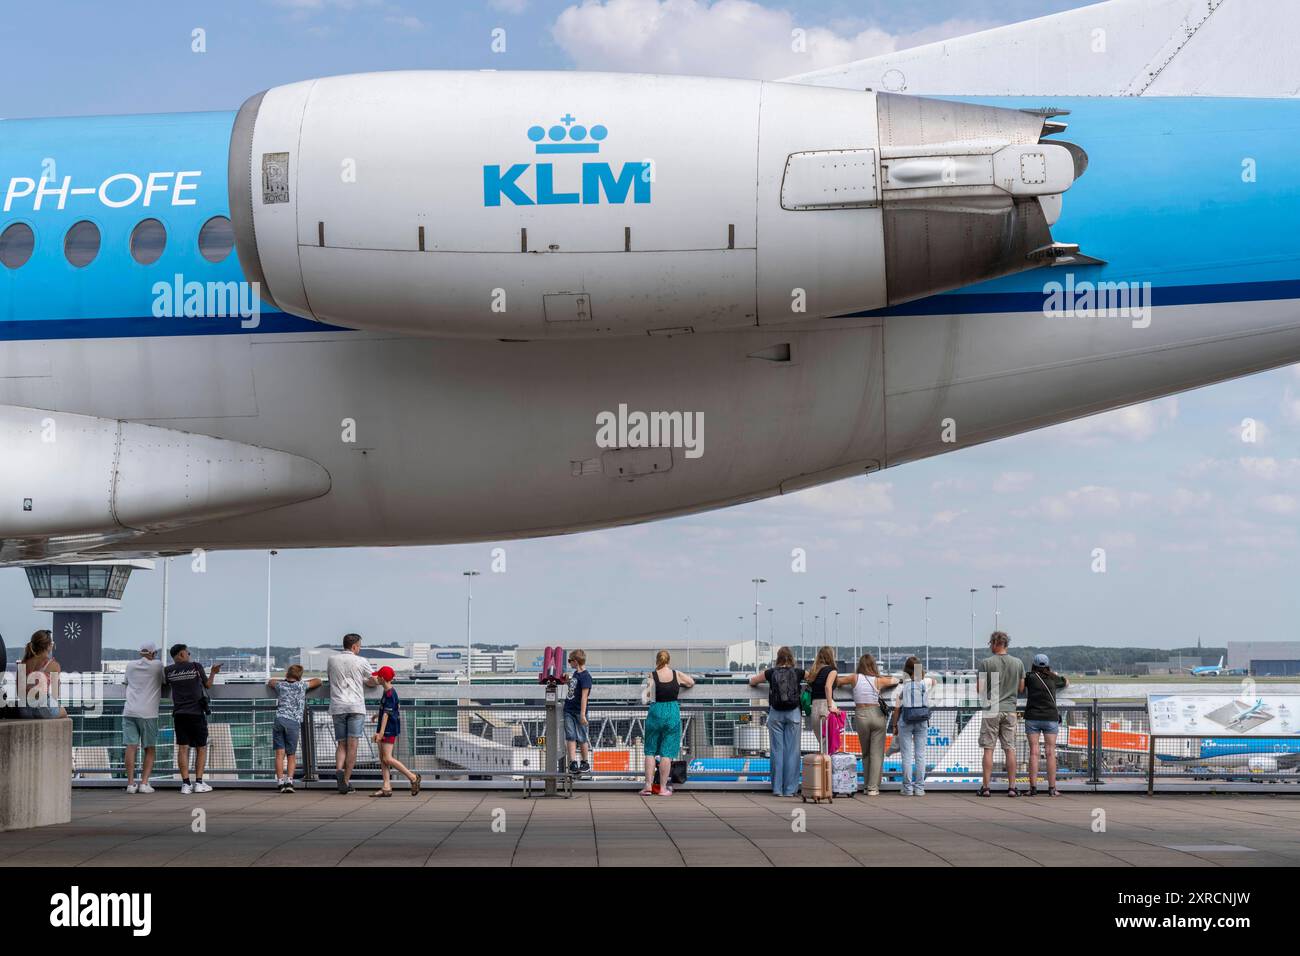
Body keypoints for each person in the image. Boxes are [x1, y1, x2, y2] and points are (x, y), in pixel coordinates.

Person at [836, 653, 897, 796]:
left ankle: (865, 785)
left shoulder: (854, 678)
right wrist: (887, 678)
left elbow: (838, 682)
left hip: (861, 714)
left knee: (866, 753)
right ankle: (873, 787)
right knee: (877, 753)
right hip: (877, 714)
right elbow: (894, 680)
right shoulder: (878, 680)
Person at [165, 643, 221, 794]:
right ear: (182, 654)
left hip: (179, 713)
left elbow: (165, 685)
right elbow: (208, 685)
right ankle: (199, 782)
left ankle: (185, 784)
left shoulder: (168, 671)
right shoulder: (196, 666)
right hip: (196, 713)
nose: (189, 655)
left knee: (183, 747)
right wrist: (214, 672)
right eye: (188, 653)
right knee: (201, 747)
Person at [748, 646, 804, 797]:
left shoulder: (771, 672)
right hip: (793, 714)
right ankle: (790, 789)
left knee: (777, 751)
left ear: (778, 658)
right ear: (791, 658)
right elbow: (813, 677)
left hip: (776, 714)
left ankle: (777, 789)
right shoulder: (798, 672)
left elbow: (753, 681)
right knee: (792, 752)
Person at [327, 632, 378, 794]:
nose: (360, 649)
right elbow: (374, 680)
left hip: (338, 706)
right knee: (353, 745)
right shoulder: (361, 661)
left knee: (341, 744)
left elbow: (330, 678)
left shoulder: (332, 660)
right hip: (355, 706)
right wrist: (366, 682)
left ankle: (339, 770)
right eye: (360, 646)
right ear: (355, 646)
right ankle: (347, 781)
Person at [977, 631, 1025, 798]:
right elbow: (1021, 688)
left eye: (990, 643)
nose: (990, 646)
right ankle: (1012, 787)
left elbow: (980, 689)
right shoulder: (1018, 663)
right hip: (1010, 709)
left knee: (988, 749)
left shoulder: (986, 663)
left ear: (996, 643)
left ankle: (986, 787)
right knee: (1010, 749)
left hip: (992, 709)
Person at [640, 650, 694, 796]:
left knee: (650, 750)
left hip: (656, 711)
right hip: (672, 711)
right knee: (667, 752)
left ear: (657, 661)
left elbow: (651, 696)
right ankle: (663, 788)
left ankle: (648, 786)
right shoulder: (676, 674)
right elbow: (691, 682)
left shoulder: (652, 675)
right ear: (669, 661)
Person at [267, 664, 321, 793]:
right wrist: (303, 681)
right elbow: (318, 681)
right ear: (299, 675)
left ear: (287, 674)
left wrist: (282, 681)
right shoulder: (302, 685)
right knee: (291, 754)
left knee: (279, 754)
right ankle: (289, 782)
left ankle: (280, 782)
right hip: (293, 722)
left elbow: (270, 682)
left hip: (279, 719)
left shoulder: (281, 686)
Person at [888, 656, 937, 796]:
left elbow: (897, 708)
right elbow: (935, 681)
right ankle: (920, 788)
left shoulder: (902, 685)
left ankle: (908, 788)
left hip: (906, 720)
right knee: (920, 756)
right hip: (922, 720)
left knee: (907, 756)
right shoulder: (924, 682)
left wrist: (894, 725)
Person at [370, 666, 421, 797]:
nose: (375, 678)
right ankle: (386, 787)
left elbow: (387, 714)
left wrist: (381, 733)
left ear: (381, 678)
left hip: (388, 730)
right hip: (385, 728)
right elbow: (391, 709)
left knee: (387, 758)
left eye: (377, 676)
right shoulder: (388, 691)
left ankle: (413, 777)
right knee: (383, 759)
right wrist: (377, 715)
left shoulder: (389, 693)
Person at [123, 641, 165, 793]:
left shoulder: (130, 665)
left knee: (131, 747)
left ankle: (130, 784)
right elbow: (164, 681)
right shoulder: (157, 665)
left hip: (129, 711)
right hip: (148, 713)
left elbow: (126, 683)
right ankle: (144, 783)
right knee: (149, 748)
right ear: (153, 653)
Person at [1025, 653, 1068, 796]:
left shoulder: (1030, 677)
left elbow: (1021, 686)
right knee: (1050, 753)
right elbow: (1066, 682)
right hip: (1050, 717)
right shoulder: (1053, 678)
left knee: (1034, 753)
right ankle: (1052, 789)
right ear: (1047, 665)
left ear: (1034, 665)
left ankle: (1033, 788)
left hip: (1033, 717)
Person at [16, 630, 65, 719]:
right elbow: (55, 694)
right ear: (49, 646)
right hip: (44, 710)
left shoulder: (22, 664)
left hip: (24, 711)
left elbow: (19, 693)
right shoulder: (54, 665)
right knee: (64, 712)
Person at [804, 646, 840, 751]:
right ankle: (829, 766)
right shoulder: (832, 671)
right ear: (831, 656)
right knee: (830, 743)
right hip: (826, 706)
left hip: (815, 707)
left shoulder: (814, 672)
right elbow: (828, 686)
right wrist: (830, 707)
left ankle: (822, 766)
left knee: (822, 742)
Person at [565, 649, 593, 778]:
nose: (569, 663)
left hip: (578, 710)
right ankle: (573, 762)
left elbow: (584, 697)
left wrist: (582, 714)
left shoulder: (586, 676)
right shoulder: (576, 674)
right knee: (570, 735)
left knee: (582, 736)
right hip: (569, 709)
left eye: (570, 660)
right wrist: (567, 682)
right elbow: (573, 690)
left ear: (576, 661)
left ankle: (584, 762)